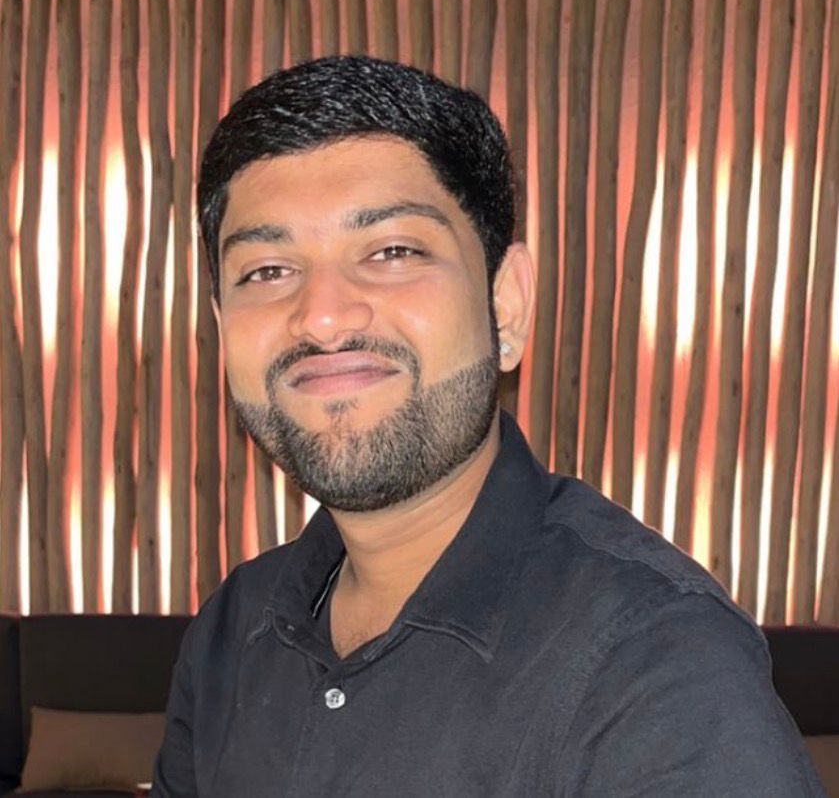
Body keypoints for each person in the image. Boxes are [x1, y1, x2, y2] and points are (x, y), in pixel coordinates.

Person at [152, 55, 824, 797]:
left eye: (392, 251)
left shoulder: (654, 663)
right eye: (267, 271)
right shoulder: (232, 630)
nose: (322, 316)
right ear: (220, 323)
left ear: (505, 307)